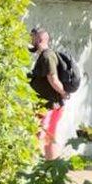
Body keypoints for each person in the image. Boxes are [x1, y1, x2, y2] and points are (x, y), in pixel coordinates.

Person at [29, 26, 68, 160]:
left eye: (32, 38)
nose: (31, 42)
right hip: (45, 104)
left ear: (39, 39)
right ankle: (51, 165)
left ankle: (47, 164)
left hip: (51, 104)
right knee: (48, 136)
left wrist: (63, 93)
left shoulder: (47, 56)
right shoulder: (44, 56)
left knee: (43, 135)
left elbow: (53, 79)